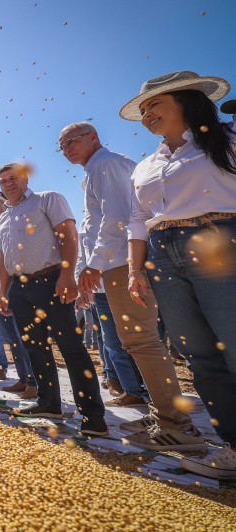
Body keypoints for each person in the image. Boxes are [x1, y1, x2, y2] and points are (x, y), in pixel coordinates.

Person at [62, 120, 204, 451]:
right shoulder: (105, 166)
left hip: (118, 261)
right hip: (119, 259)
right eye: (63, 145)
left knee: (141, 341)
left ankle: (175, 422)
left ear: (93, 137)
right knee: (141, 341)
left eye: (73, 141)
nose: (68, 148)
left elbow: (115, 219)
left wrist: (94, 264)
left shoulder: (105, 164)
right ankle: (163, 413)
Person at [121, 71, 236, 478]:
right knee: (199, 354)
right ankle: (233, 445)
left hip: (219, 241)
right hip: (162, 255)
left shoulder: (228, 140)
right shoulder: (146, 165)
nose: (148, 114)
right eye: (145, 108)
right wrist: (136, 270)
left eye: (156, 105)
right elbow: (138, 220)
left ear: (186, 102)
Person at [0, 162, 107, 436]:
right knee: (35, 348)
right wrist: (2, 291)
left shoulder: (48, 199)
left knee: (71, 348)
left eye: (13, 178)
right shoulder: (3, 219)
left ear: (25, 178)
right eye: (3, 181)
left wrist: (67, 275)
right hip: (20, 288)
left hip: (51, 281)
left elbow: (68, 234)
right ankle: (48, 403)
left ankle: (93, 416)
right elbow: (3, 258)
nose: (8, 184)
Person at [0, 192, 36, 398]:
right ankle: (23, 378)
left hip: (13, 279)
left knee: (21, 333)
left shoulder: (14, 221)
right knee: (10, 336)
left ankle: (33, 380)